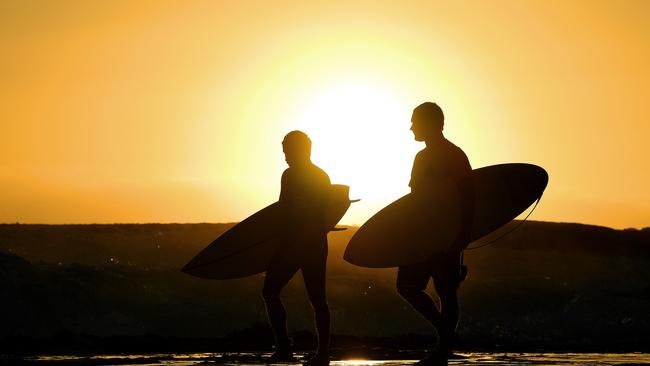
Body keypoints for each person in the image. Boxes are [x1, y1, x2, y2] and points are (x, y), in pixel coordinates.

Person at [396, 102, 475, 366]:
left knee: (446, 291)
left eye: (414, 122)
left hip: (447, 234)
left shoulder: (454, 154)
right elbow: (414, 199)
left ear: (431, 123)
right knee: (406, 286)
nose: (410, 128)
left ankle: (442, 349)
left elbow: (468, 198)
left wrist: (462, 237)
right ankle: (446, 334)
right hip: (421, 234)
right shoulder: (420, 158)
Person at [263, 130, 332, 366]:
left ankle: (299, 350)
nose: (285, 156)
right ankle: (306, 351)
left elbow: (285, 213)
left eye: (288, 151)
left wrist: (276, 244)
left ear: (302, 150)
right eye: (284, 152)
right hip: (311, 242)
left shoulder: (295, 176)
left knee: (311, 297)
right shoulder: (319, 176)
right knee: (312, 297)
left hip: (301, 243)